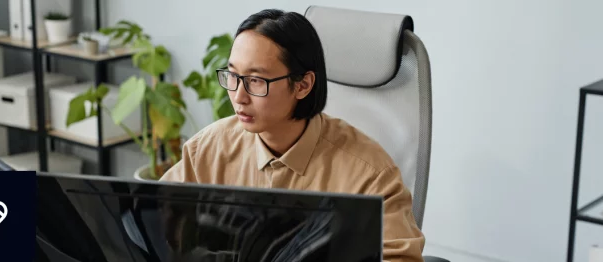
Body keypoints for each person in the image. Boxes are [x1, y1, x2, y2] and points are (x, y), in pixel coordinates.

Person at [160, 9, 425, 262]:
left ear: (303, 85)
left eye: (255, 80)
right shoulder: (207, 150)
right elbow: (157, 227)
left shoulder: (369, 174)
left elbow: (399, 258)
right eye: (233, 75)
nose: (238, 97)